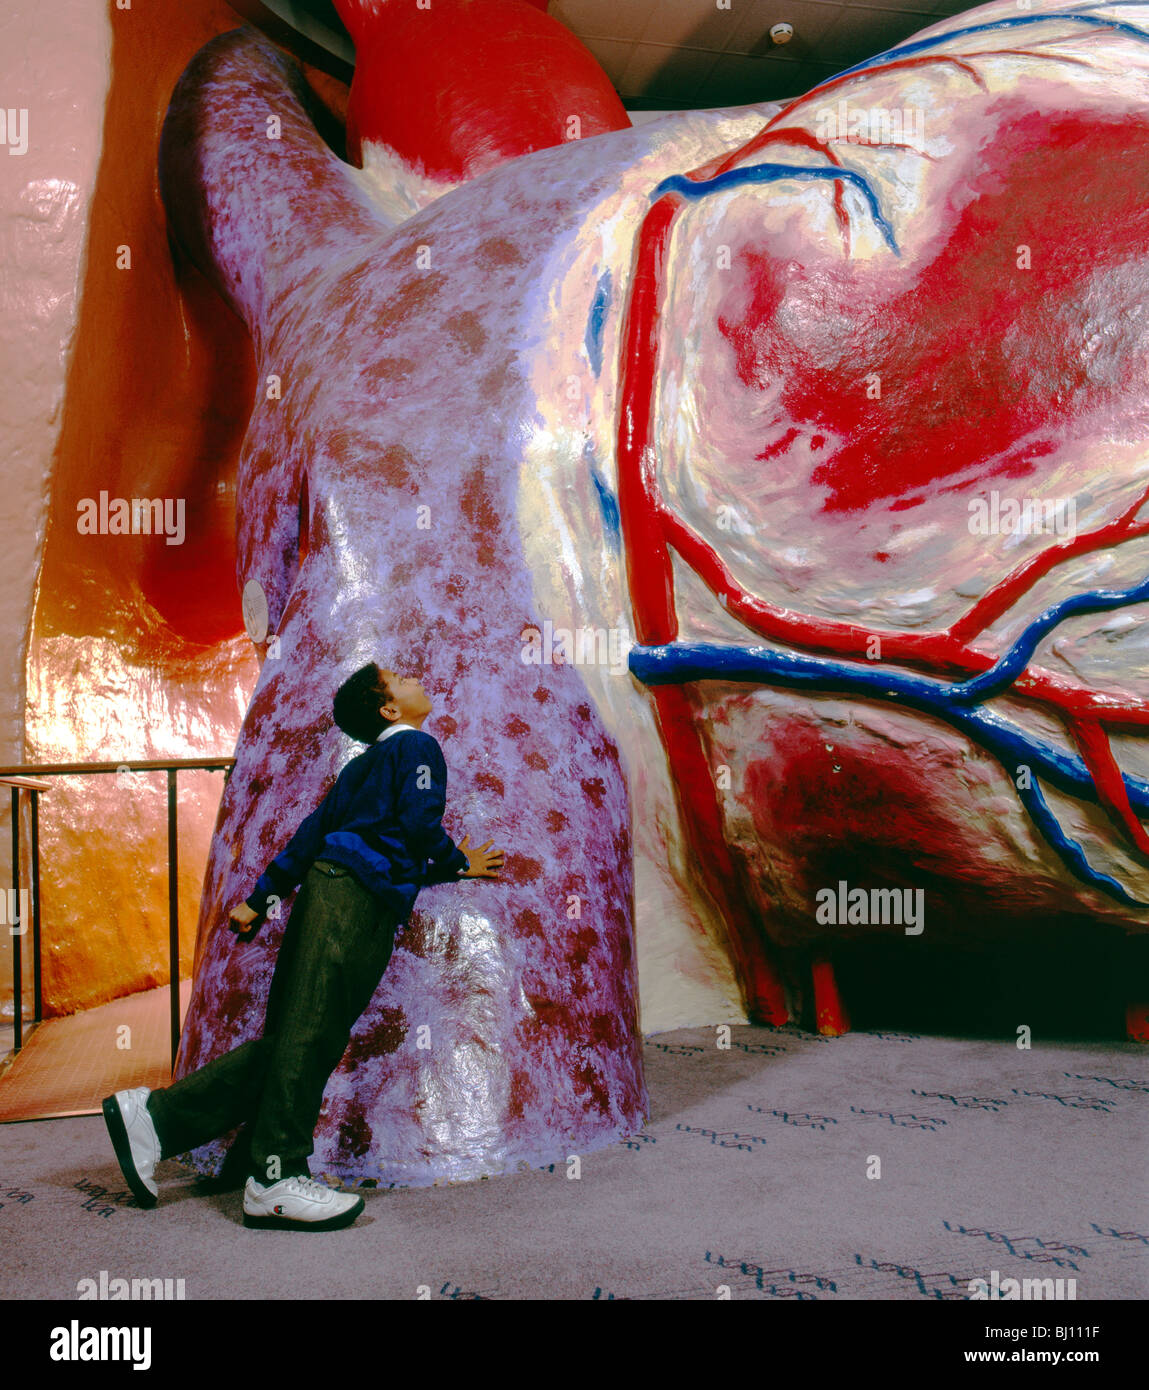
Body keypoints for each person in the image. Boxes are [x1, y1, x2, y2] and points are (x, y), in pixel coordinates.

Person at [102, 663, 503, 1231]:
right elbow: (418, 824)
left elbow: (312, 834)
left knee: (296, 1039)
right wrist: (458, 862)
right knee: (311, 1038)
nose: (416, 679)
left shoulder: (362, 766)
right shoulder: (418, 747)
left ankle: (157, 1119)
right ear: (390, 710)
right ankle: (274, 1176)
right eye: (402, 680)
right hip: (355, 903)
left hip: (323, 892)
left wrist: (262, 897)